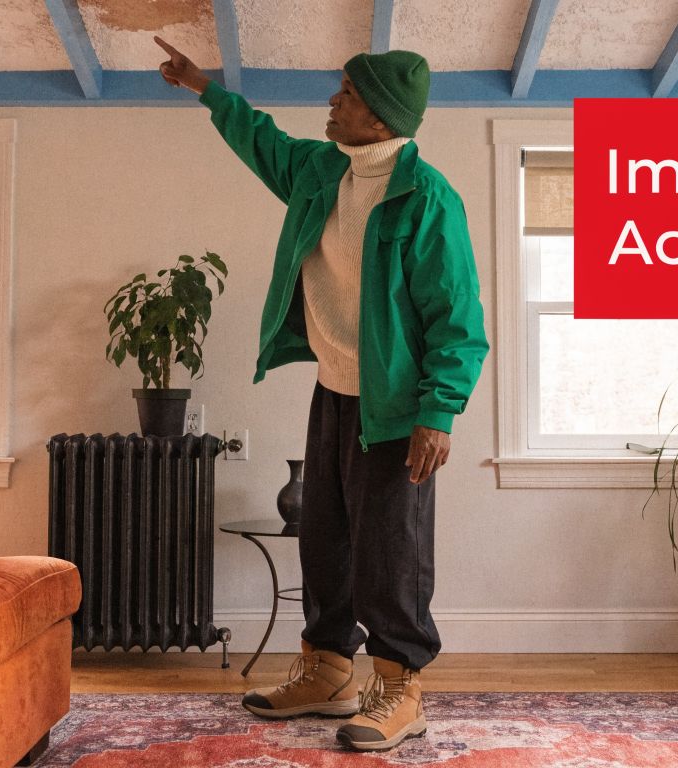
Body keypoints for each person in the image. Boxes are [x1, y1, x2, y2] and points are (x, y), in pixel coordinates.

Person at [155, 37, 488, 752]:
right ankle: (329, 671)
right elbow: (263, 142)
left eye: (346, 94)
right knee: (326, 538)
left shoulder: (427, 198)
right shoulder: (320, 171)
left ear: (381, 115)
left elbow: (456, 318)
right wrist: (206, 89)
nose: (331, 103)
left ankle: (400, 687)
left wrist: (439, 412)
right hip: (335, 391)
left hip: (397, 407)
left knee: (391, 551)